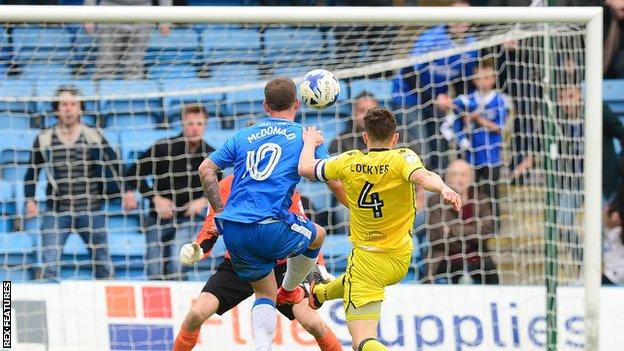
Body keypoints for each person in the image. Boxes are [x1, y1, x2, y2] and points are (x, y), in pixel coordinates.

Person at [197, 77, 345, 351]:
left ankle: (262, 346)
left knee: (263, 293)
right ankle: (289, 291)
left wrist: (219, 212)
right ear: (297, 104)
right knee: (318, 235)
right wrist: (351, 207)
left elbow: (206, 169)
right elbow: (332, 179)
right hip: (271, 226)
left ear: (265, 106)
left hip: (235, 233)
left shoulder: (243, 136)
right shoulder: (304, 135)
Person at [298, 107, 462, 351]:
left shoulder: (348, 161)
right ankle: (318, 294)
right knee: (354, 282)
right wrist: (443, 189)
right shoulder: (402, 158)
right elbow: (423, 176)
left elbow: (304, 168)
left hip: (367, 260)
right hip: (400, 258)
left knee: (361, 342)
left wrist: (310, 142)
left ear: (365, 136)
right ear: (395, 137)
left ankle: (319, 294)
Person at [173, 175, 342, 351]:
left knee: (313, 323)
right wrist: (198, 249)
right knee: (196, 314)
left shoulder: (282, 182)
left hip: (281, 265)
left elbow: (306, 230)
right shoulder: (224, 186)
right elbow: (211, 226)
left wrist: (318, 266)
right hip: (239, 263)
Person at [24, 86, 122, 281]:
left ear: (80, 108)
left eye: (73, 104)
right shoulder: (44, 139)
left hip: (91, 209)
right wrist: (30, 199)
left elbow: (114, 163)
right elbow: (31, 172)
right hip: (57, 210)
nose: (68, 108)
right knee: (49, 263)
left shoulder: (93, 135)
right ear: (56, 109)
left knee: (103, 264)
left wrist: (126, 191)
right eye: (64, 104)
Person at [123, 103, 216, 280]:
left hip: (189, 217)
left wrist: (202, 201)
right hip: (158, 216)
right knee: (154, 266)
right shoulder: (163, 148)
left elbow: (221, 186)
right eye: (190, 123)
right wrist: (155, 198)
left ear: (206, 125)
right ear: (182, 124)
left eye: (199, 123)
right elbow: (132, 173)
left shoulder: (211, 155)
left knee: (177, 260)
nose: (194, 128)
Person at [392, 0, 478, 172]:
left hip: (437, 99)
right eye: (455, 17)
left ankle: (441, 193)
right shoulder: (431, 39)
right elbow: (410, 73)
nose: (460, 22)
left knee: (440, 147)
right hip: (408, 96)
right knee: (421, 148)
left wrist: (462, 106)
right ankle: (424, 193)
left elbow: (462, 80)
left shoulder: (472, 45)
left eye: (465, 18)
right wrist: (434, 99)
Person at [436, 58, 512, 208]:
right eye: (478, 78)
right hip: (470, 156)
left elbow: (500, 129)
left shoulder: (499, 100)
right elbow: (454, 111)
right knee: (471, 193)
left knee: (492, 194)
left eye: (486, 78)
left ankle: (493, 227)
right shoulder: (467, 99)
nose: (482, 82)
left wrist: (478, 119)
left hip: (492, 157)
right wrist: (445, 104)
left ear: (494, 79)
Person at [425, 159, 498, 284]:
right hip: (445, 256)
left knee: (491, 272)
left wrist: (452, 230)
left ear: (470, 178)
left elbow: (487, 232)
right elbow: (437, 237)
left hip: (478, 256)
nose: (459, 179)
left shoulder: (481, 200)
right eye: (454, 174)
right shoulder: (435, 201)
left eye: (463, 174)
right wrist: (473, 229)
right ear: (447, 178)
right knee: (459, 269)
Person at [83, 0, 171, 79]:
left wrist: (165, 19)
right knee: (106, 62)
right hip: (109, 10)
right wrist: (89, 15)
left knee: (134, 64)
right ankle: (104, 92)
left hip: (143, 12)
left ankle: (133, 93)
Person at [329, 91, 378, 155]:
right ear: (353, 113)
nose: (367, 115)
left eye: (371, 111)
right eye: (362, 110)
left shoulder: (388, 138)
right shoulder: (340, 142)